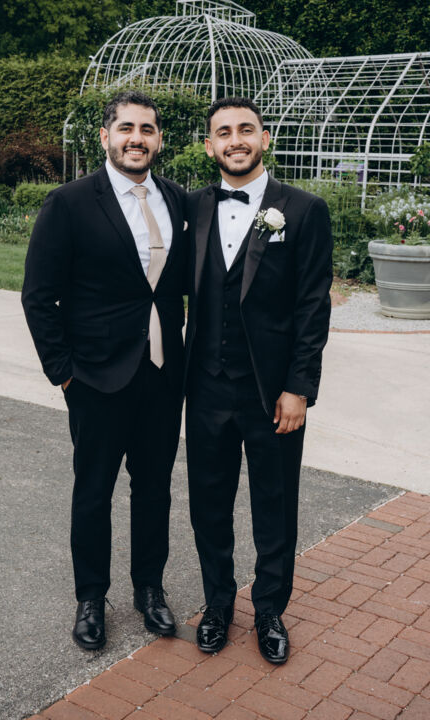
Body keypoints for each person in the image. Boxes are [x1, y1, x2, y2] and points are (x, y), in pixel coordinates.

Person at [22, 90, 187, 650]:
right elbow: (38, 296)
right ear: (105, 136)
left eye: (147, 129)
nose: (136, 138)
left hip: (163, 375)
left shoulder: (176, 199)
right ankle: (91, 597)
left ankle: (150, 590)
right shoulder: (69, 203)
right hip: (95, 377)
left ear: (158, 139)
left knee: (155, 490)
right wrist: (63, 372)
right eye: (126, 128)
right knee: (93, 492)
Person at [184, 97, 333, 664]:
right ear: (210, 146)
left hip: (273, 393)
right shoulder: (194, 206)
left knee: (275, 503)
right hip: (205, 386)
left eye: (246, 129)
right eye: (223, 133)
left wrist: (299, 387)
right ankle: (218, 603)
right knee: (208, 503)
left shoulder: (304, 209)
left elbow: (313, 305)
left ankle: (270, 607)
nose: (236, 140)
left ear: (264, 138)